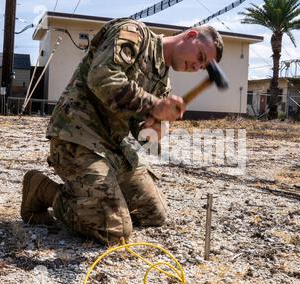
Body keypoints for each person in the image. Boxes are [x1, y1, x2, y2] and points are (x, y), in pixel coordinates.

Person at [20, 17, 224, 246]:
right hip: (77, 137)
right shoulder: (134, 33)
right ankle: (42, 189)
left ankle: (103, 197)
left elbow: (143, 135)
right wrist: (153, 105)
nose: (196, 67)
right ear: (191, 35)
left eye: (202, 67)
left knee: (154, 214)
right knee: (113, 231)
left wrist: (155, 128)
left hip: (114, 148)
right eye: (200, 57)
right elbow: (101, 76)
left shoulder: (163, 84)